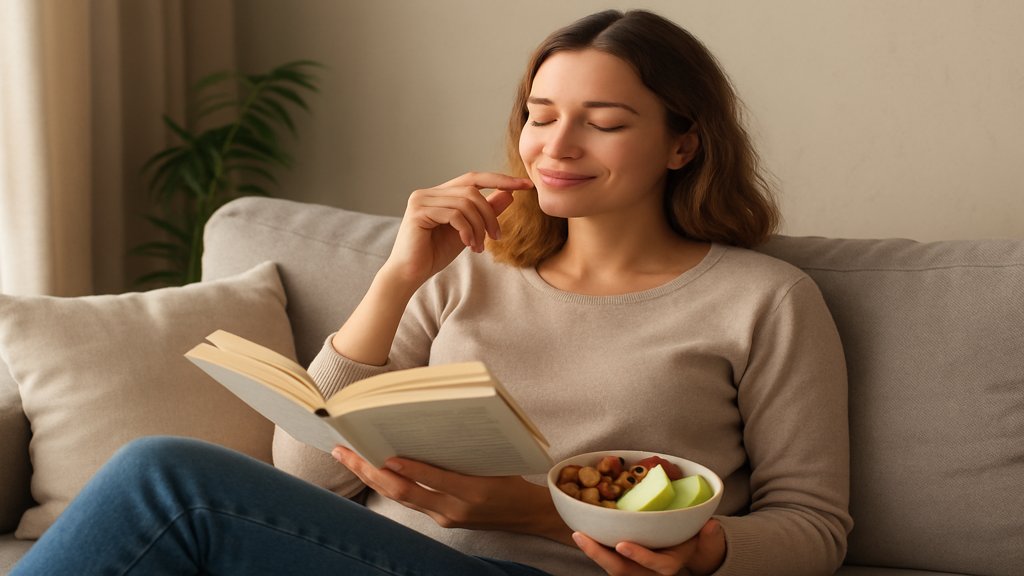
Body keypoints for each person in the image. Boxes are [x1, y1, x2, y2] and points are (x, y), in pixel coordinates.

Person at [13, 9, 850, 576]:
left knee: (168, 478)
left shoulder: (762, 301)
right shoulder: (465, 273)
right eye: (540, 112)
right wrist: (396, 277)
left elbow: (815, 527)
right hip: (371, 552)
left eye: (604, 120)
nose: (553, 145)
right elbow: (307, 477)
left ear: (682, 144)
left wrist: (582, 523)